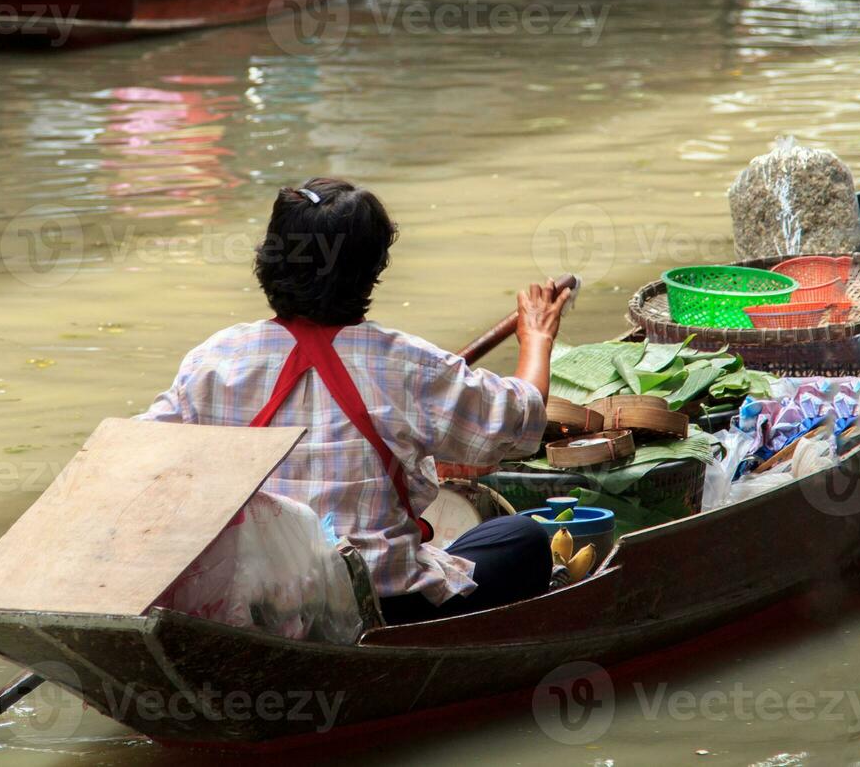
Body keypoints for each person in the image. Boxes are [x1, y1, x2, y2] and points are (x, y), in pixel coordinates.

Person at [140, 178, 571, 625]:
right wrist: (536, 337)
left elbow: (138, 454)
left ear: (270, 261)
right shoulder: (408, 362)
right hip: (379, 605)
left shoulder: (214, 359)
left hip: (251, 606)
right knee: (522, 538)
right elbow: (522, 420)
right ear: (372, 268)